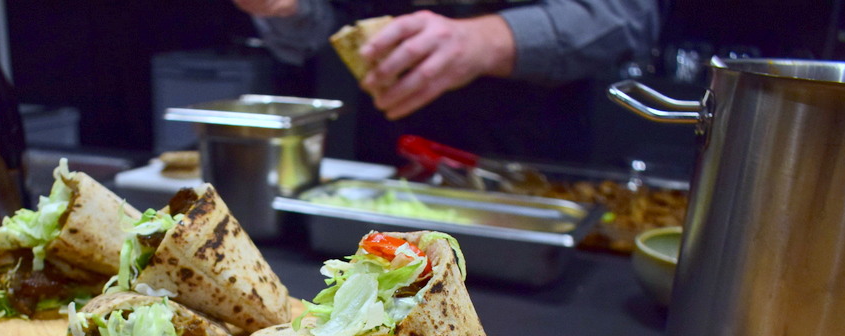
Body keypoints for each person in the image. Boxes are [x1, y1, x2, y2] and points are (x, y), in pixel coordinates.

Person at [230, 0, 665, 165]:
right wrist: (288, 11)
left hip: (529, 158)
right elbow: (328, 28)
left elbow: (631, 16)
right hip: (384, 157)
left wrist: (487, 40)